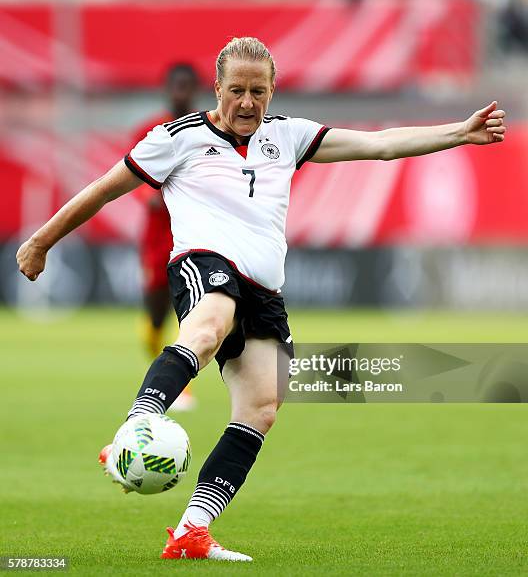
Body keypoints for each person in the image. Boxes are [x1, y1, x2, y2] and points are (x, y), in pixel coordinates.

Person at [16, 37, 506, 562]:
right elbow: (104, 189)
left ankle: (191, 532)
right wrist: (42, 241)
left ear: (272, 91)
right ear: (217, 88)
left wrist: (460, 132)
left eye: (258, 91)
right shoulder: (175, 138)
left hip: (264, 293)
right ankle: (140, 421)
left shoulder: (287, 137)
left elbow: (381, 144)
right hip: (204, 264)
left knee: (262, 409)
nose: (247, 102)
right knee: (208, 325)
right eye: (236, 91)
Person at [133, 63, 199, 410]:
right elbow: (134, 180)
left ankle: (179, 387)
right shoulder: (149, 130)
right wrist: (152, 196)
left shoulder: (207, 131)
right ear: (167, 88)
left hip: (189, 235)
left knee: (188, 310)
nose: (181, 92)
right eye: (177, 85)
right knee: (156, 313)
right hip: (155, 239)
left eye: (188, 86)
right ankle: (156, 363)